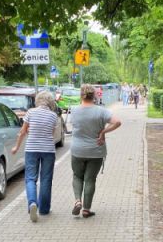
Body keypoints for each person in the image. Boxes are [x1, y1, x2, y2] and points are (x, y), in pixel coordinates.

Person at [70, 84, 122, 218]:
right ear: (94, 96)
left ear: (81, 95)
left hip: (77, 150)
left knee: (77, 176)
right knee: (90, 179)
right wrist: (104, 131)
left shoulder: (74, 110)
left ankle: (77, 201)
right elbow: (117, 122)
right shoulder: (101, 111)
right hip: (96, 150)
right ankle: (86, 210)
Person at [12, 91, 59, 222]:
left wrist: (16, 147)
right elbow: (52, 134)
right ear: (50, 102)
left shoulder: (30, 112)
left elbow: (22, 132)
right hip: (48, 150)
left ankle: (32, 203)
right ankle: (44, 209)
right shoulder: (53, 116)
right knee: (46, 179)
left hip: (32, 149)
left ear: (37, 100)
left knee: (30, 179)